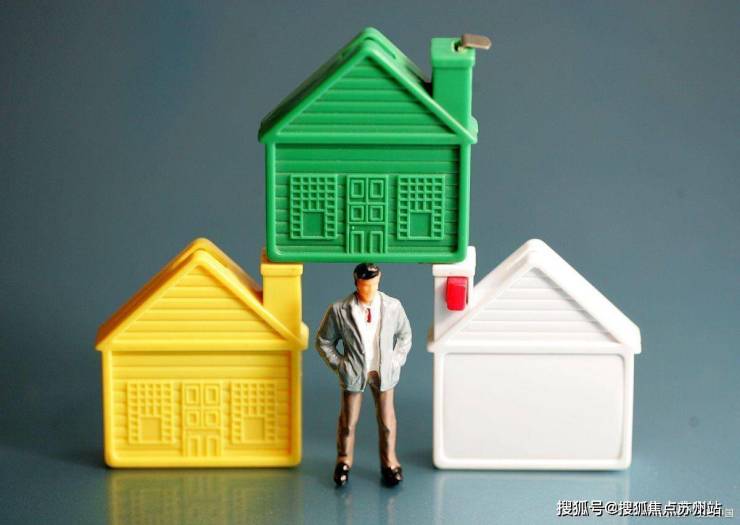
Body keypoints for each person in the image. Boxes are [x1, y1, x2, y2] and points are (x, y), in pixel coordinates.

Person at [315, 262, 412, 487]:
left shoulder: (393, 306)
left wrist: (395, 361)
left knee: (387, 422)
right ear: (356, 283)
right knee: (348, 422)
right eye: (364, 285)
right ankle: (343, 461)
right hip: (354, 374)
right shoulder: (339, 310)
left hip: (383, 373)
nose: (369, 289)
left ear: (379, 281)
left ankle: (389, 463)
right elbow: (323, 341)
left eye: (373, 284)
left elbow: (405, 336)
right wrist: (341, 365)